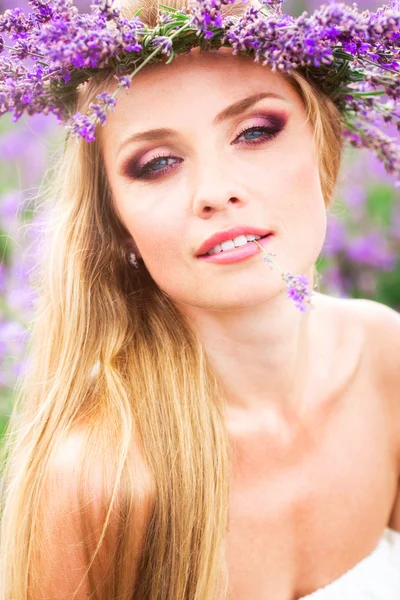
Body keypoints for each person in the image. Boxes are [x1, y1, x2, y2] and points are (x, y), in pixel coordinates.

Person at [0, 0, 400, 598]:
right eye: (157, 164)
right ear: (117, 224)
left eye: (255, 131)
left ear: (322, 144)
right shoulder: (98, 484)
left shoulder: (385, 358)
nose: (216, 192)